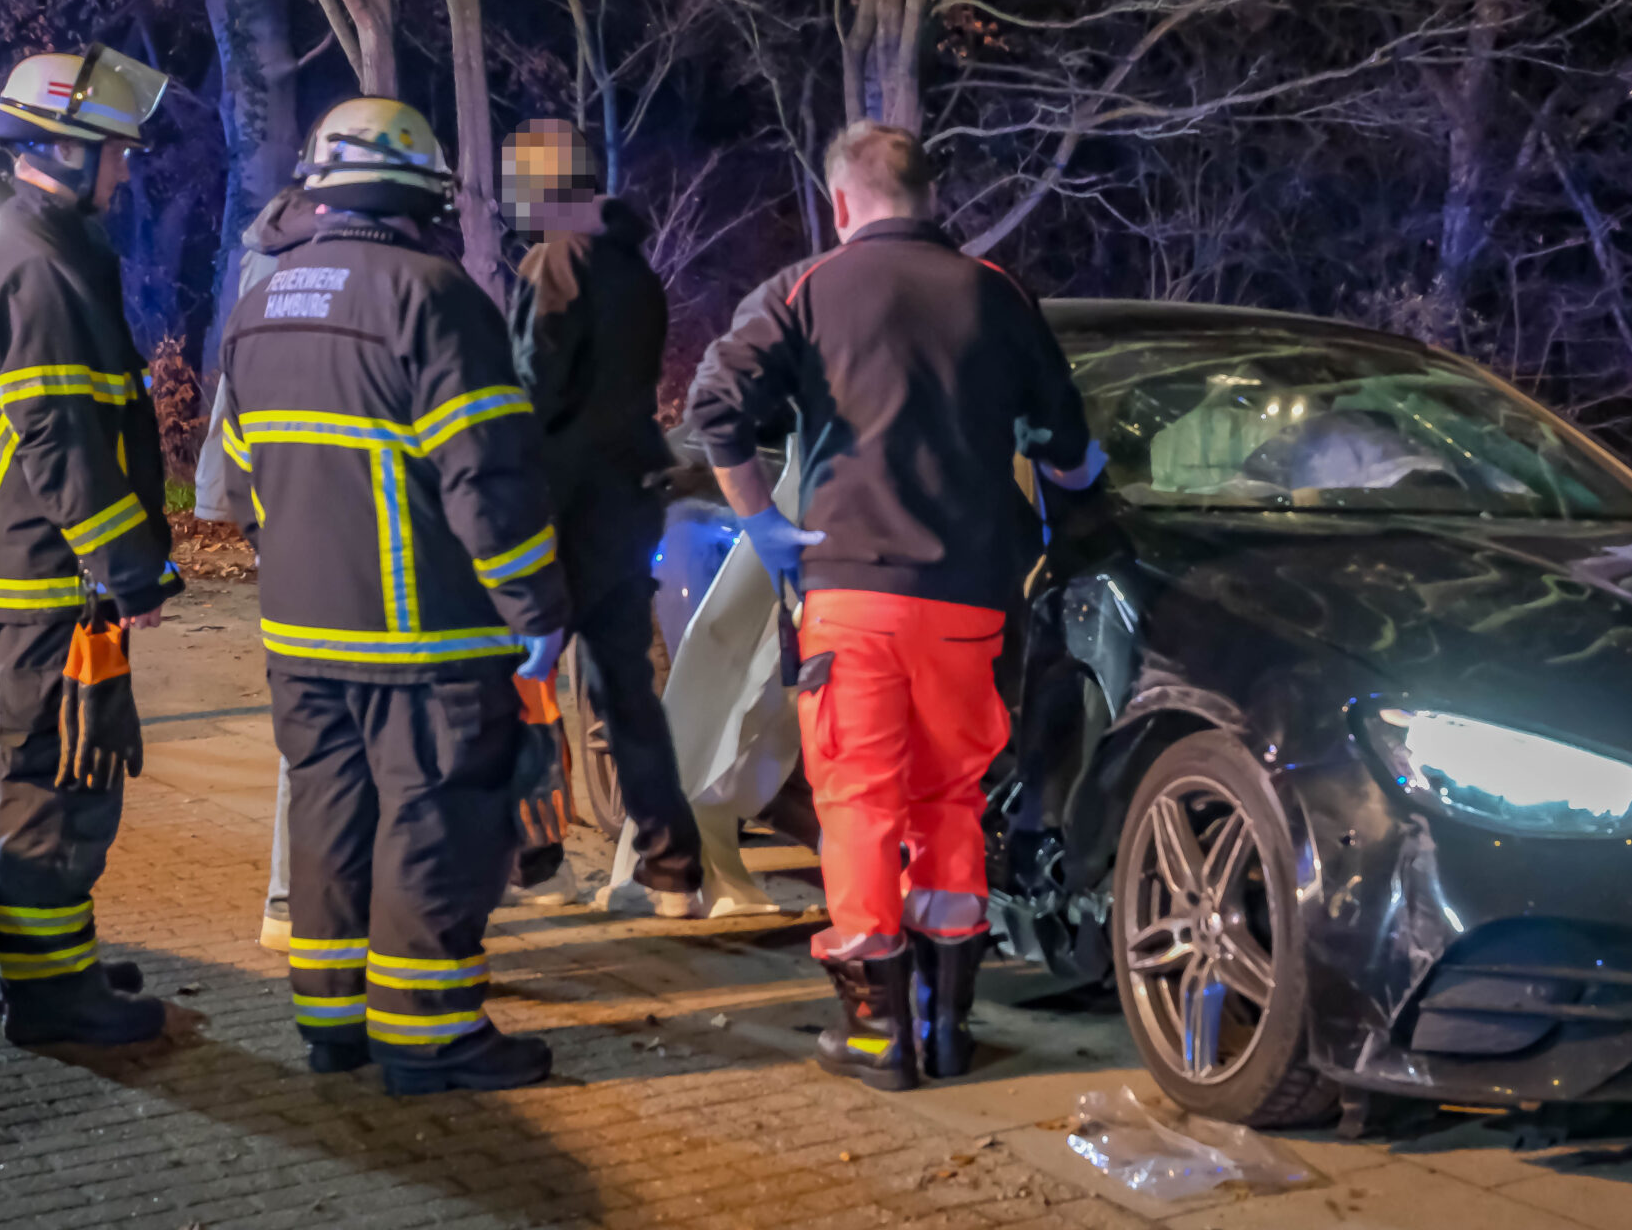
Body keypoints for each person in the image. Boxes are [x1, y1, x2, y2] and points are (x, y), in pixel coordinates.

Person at [683, 121, 1105, 1091]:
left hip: (850, 595)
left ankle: (878, 1035)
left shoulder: (806, 289)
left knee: (860, 805)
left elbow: (713, 408)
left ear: (841, 201)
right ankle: (946, 1025)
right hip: (968, 602)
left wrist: (762, 524)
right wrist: (1086, 490)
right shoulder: (996, 293)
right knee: (950, 797)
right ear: (928, 194)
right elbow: (1067, 445)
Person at [215, 97, 571, 1093]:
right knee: (433, 817)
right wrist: (535, 607)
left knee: (329, 814)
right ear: (421, 195)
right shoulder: (435, 295)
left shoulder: (260, 304)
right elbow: (486, 476)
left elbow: (243, 474)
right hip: (425, 635)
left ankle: (333, 1018)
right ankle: (430, 1031)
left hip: (299, 630)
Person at [0, 46, 184, 1047]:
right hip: (44, 584)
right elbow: (58, 434)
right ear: (63, 147)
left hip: (35, 577)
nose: (124, 172)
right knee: (55, 787)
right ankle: (53, 1000)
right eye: (115, 152)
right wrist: (128, 566)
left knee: (42, 778)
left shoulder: (37, 244)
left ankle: (45, 961)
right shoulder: (38, 261)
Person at [499, 121, 704, 917]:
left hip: (557, 512)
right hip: (626, 506)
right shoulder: (632, 266)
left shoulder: (555, 261)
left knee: (527, 686)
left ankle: (538, 863)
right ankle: (672, 866)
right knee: (626, 692)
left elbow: (531, 389)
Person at [190, 186, 325, 952]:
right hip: (344, 536)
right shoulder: (341, 278)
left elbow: (240, 424)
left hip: (283, 521)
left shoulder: (262, 267)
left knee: (305, 721)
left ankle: (287, 900)